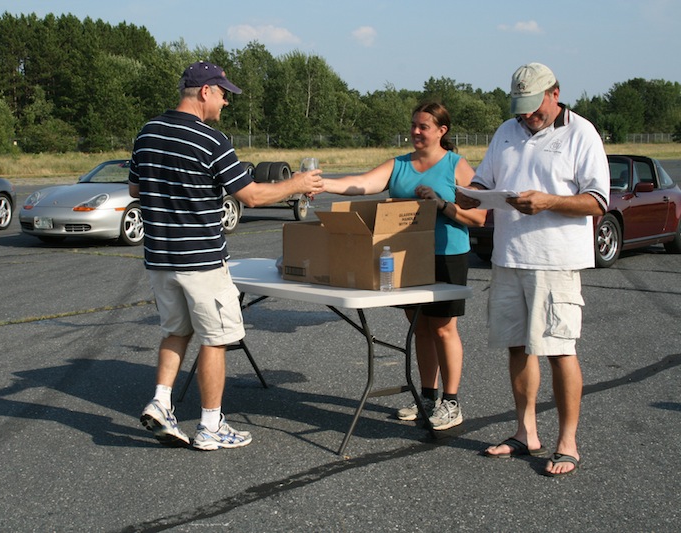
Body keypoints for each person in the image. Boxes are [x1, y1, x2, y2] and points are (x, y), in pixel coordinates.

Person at [129, 61, 324, 451]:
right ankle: (211, 426)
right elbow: (251, 196)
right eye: (223, 94)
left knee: (175, 331)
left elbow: (136, 189)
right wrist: (296, 184)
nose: (226, 103)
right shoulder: (211, 141)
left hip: (160, 258)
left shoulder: (147, 132)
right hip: (201, 260)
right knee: (215, 339)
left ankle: (161, 402)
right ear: (205, 92)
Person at [456, 63, 609, 477]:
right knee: (517, 347)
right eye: (520, 107)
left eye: (534, 106)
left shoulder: (581, 133)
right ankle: (526, 433)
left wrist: (549, 201)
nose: (527, 115)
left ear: (554, 93)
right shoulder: (507, 131)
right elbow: (484, 182)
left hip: (554, 261)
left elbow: (598, 201)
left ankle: (567, 442)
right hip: (508, 258)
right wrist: (471, 195)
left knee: (559, 350)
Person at [321, 102, 487, 430]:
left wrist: (441, 204)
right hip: (406, 258)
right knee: (419, 327)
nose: (415, 131)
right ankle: (427, 396)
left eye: (423, 126)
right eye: (413, 125)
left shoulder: (457, 166)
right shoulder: (398, 164)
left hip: (446, 255)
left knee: (443, 328)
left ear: (442, 131)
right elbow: (362, 183)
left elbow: (479, 217)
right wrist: (322, 183)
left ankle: (451, 402)